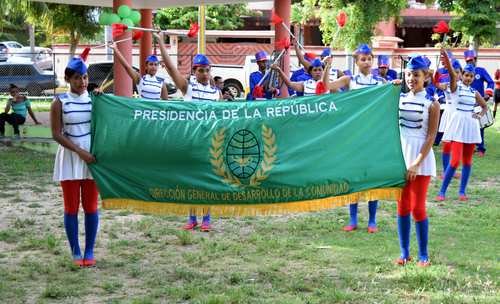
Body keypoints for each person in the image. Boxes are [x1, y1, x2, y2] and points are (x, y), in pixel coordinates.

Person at [155, 32, 221, 231]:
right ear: (194, 71)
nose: (205, 74)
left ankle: (207, 218)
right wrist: (160, 42)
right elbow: (172, 69)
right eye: (201, 70)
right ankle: (192, 218)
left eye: (207, 70)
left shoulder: (216, 93)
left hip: (209, 142)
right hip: (189, 142)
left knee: (207, 180)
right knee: (191, 180)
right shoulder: (188, 87)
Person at [326, 44, 385, 233]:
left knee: (372, 177)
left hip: (372, 135)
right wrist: (327, 66)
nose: (366, 61)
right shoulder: (349, 80)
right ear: (356, 61)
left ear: (373, 60)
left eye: (369, 58)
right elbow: (327, 86)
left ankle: (372, 220)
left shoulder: (380, 82)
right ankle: (352, 219)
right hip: (353, 135)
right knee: (353, 177)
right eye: (362, 58)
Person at [51, 57, 100, 267]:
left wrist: (101, 99)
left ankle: (89, 250)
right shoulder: (59, 102)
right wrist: (80, 151)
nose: (82, 82)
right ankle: (75, 251)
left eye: (85, 77)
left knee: (90, 206)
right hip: (70, 157)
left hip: (92, 158)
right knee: (71, 207)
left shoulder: (95, 99)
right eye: (78, 78)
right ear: (68, 79)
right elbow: (56, 134)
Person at [396, 54, 440, 267]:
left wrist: (416, 163)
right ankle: (404, 253)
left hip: (420, 159)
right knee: (402, 206)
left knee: (418, 208)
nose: (411, 78)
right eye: (408, 74)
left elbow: (431, 136)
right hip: (400, 156)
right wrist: (391, 87)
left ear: (426, 77)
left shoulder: (432, 103)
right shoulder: (399, 97)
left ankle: (423, 254)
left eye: (416, 75)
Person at [436, 61, 488, 202]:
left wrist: (479, 115)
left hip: (470, 127)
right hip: (458, 126)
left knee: (468, 161)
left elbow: (485, 106)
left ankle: (462, 191)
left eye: (471, 76)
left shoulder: (474, 92)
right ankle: (442, 191)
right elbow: (452, 76)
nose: (468, 78)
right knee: (454, 161)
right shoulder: (455, 87)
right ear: (462, 75)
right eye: (466, 75)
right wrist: (446, 59)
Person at [463, 50, 494, 157]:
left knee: (479, 126)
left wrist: (488, 93)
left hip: (479, 103)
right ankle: (469, 147)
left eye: (472, 60)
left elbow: (491, 82)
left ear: (475, 60)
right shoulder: (463, 72)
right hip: (466, 102)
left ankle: (481, 148)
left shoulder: (481, 71)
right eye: (468, 61)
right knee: (467, 125)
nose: (471, 62)